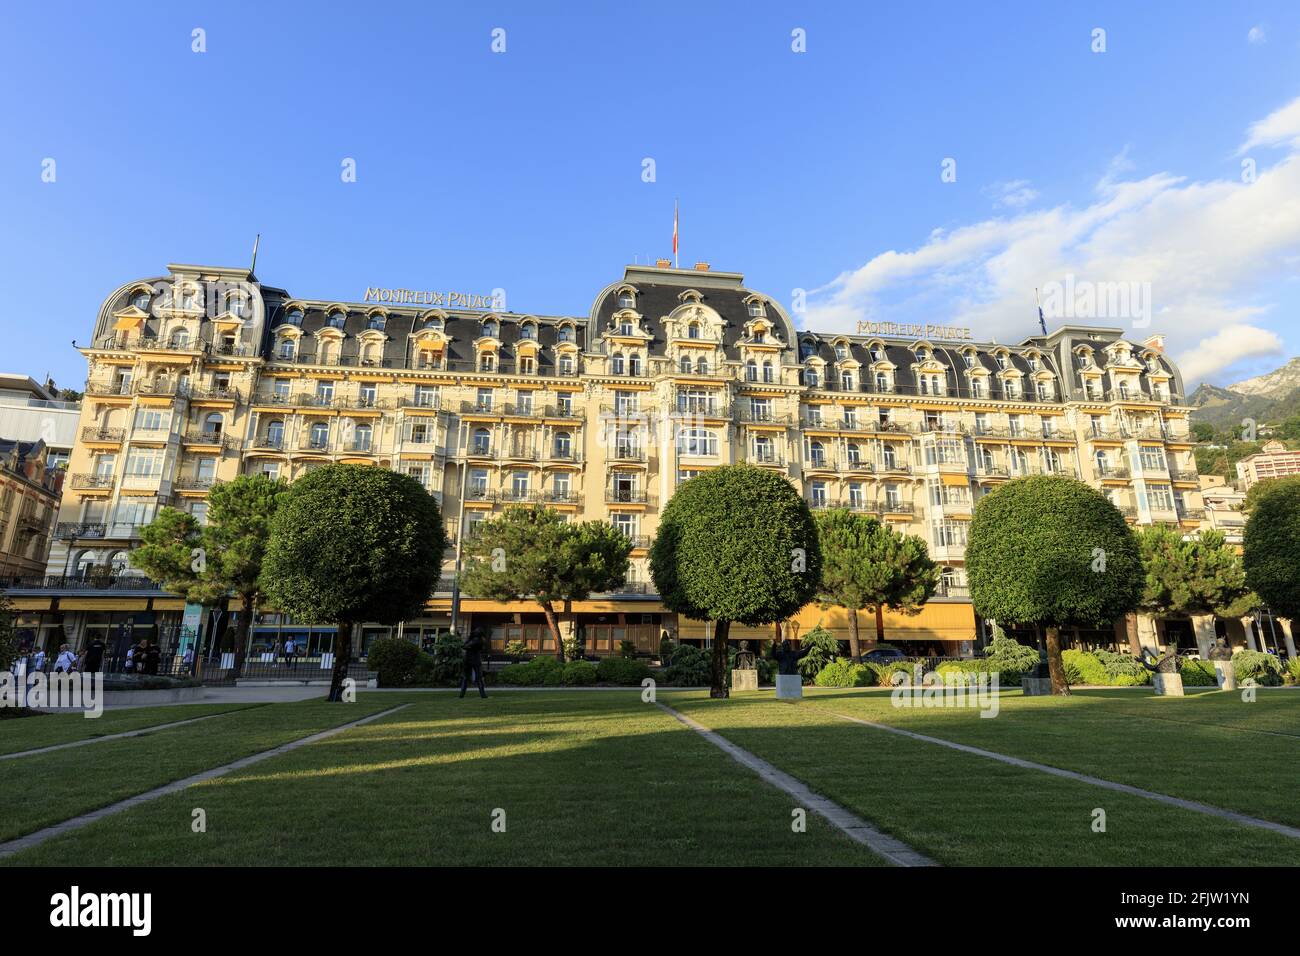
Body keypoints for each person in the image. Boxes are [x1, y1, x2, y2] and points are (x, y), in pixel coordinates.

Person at [459, 630, 487, 699]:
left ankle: (462, 694)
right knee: (479, 678)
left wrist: (469, 639)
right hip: (475, 660)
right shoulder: (480, 640)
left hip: (469, 660)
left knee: (466, 677)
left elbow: (464, 646)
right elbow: (465, 646)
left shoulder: (476, 641)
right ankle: (483, 694)